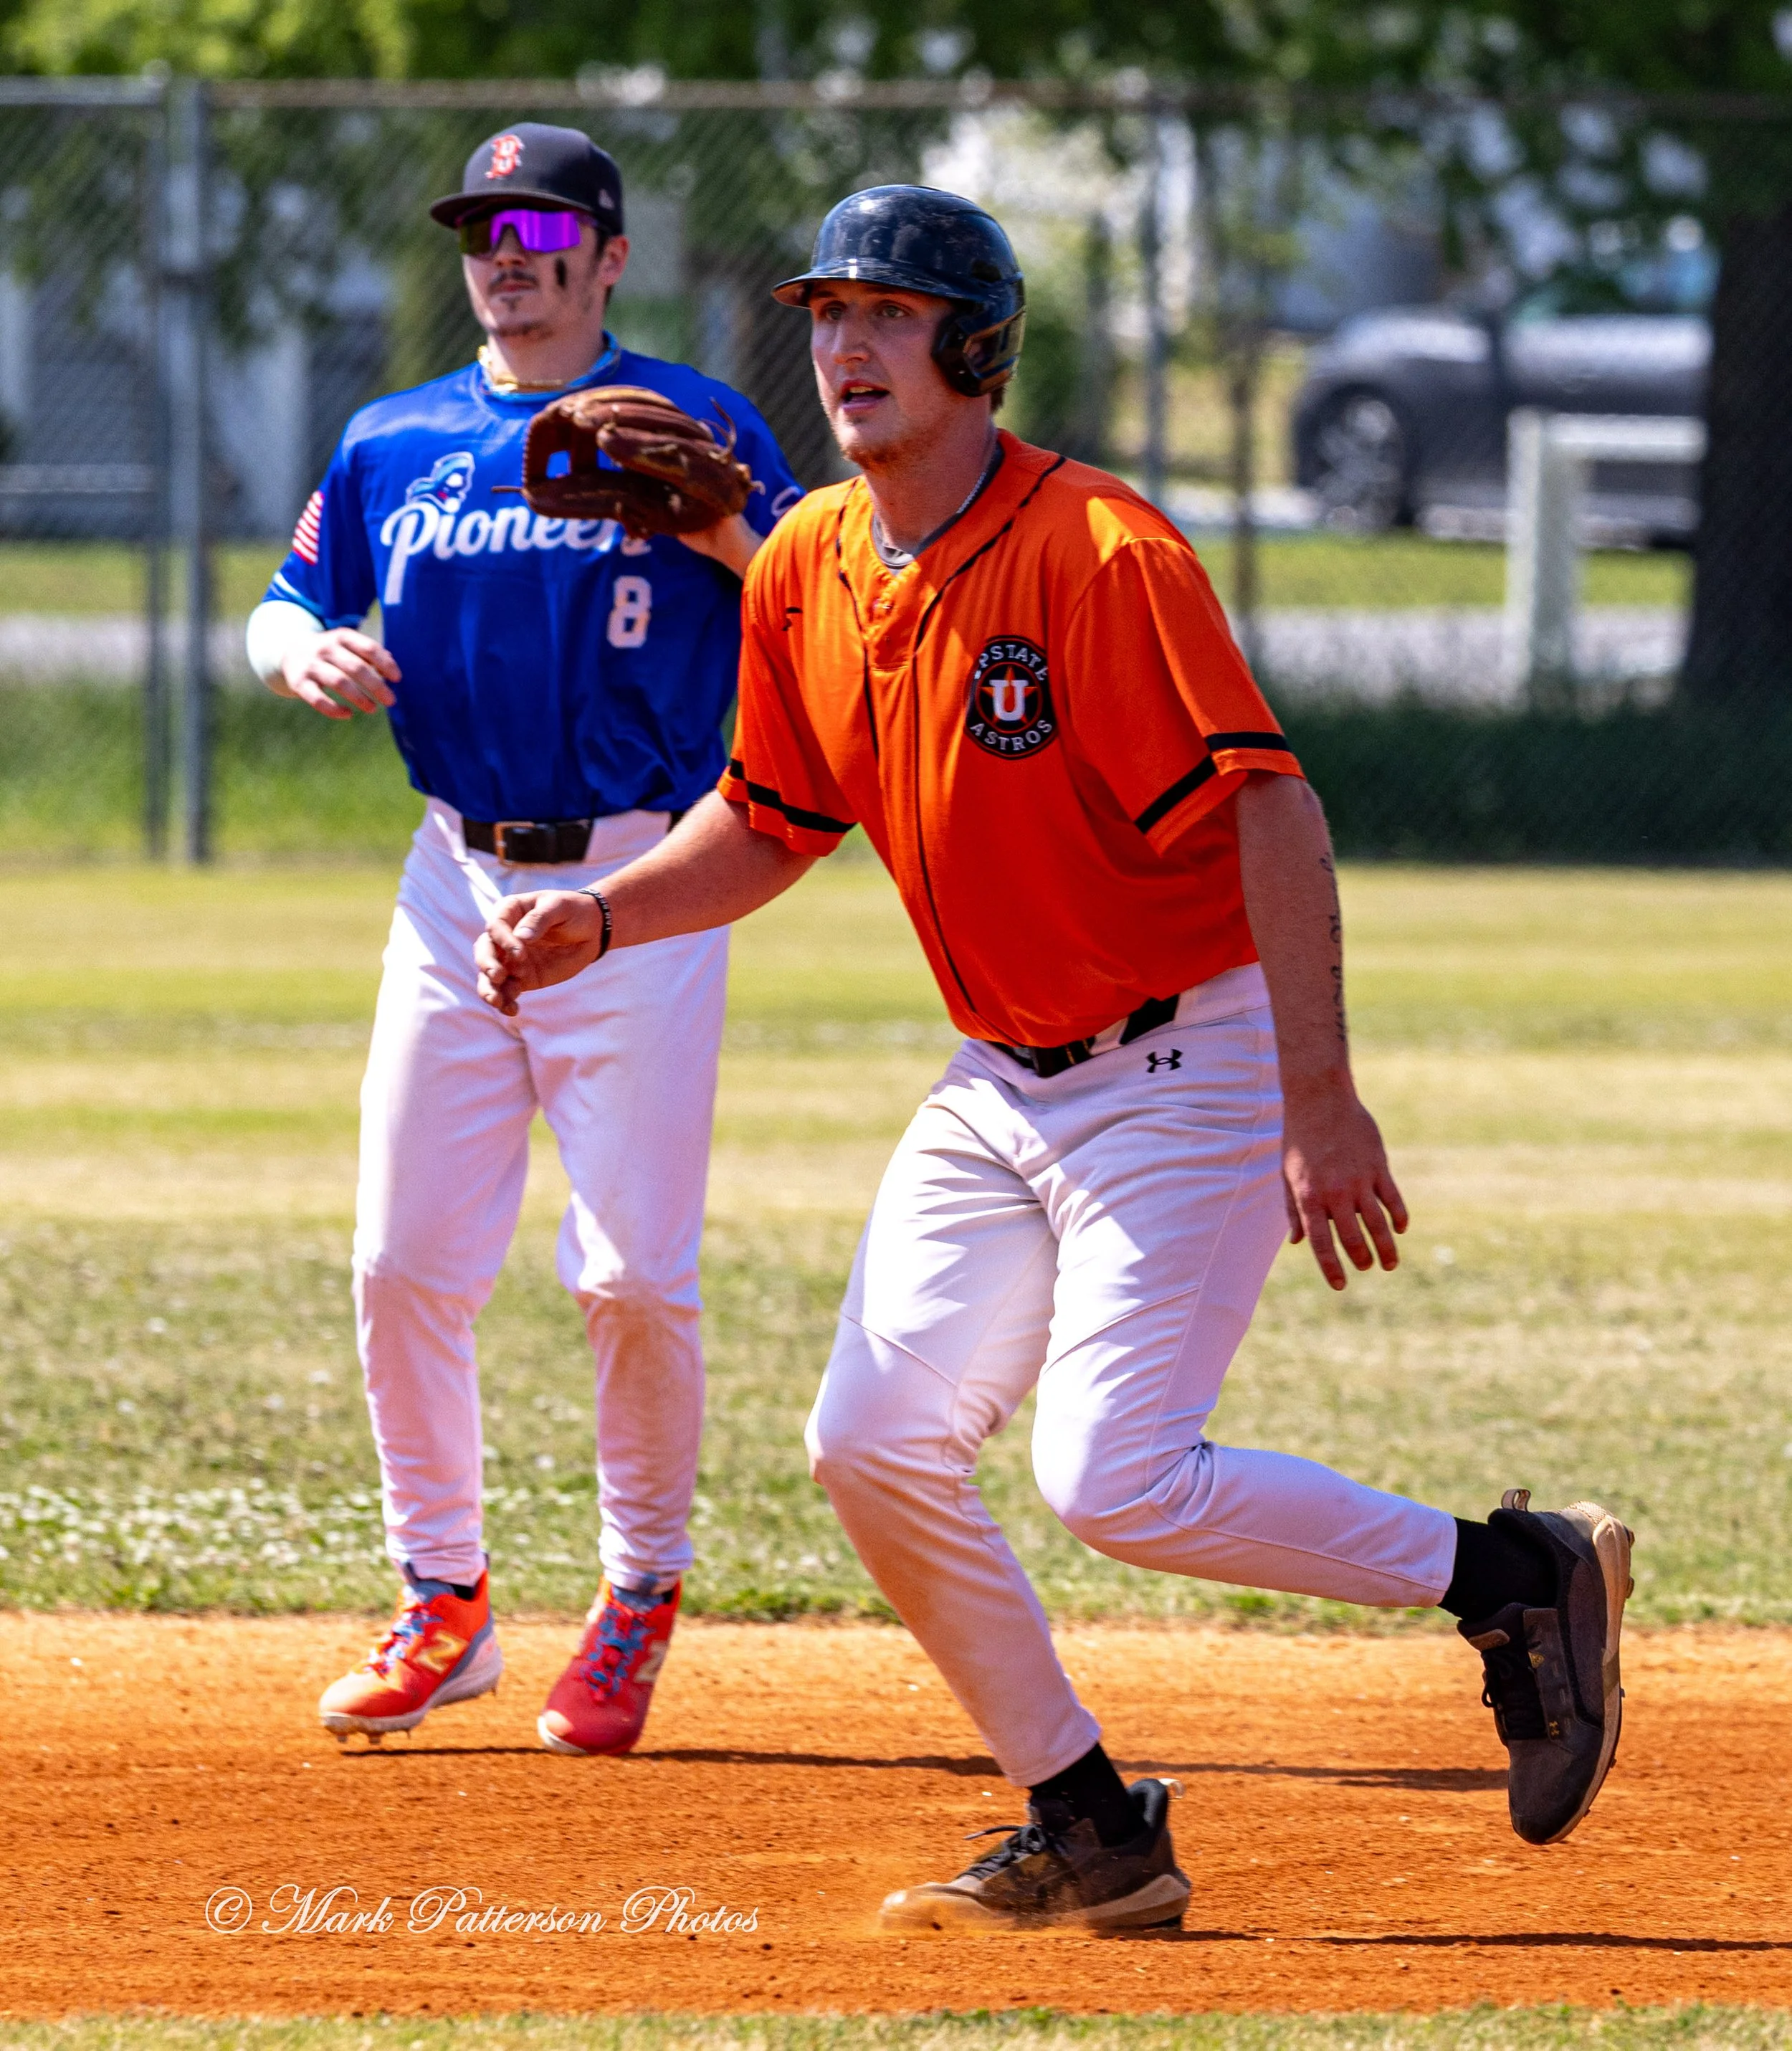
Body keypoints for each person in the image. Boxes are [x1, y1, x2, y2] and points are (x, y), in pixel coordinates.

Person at [470, 186, 1634, 1926]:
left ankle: (1509, 1574)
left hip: (1192, 1058)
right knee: (866, 1438)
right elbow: (776, 816)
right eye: (827, 313)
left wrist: (1318, 1096)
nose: (847, 344)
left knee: (1114, 1475)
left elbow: (1273, 809)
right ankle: (1088, 1820)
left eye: (888, 312)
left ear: (975, 344)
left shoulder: (1099, 552)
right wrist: (604, 913)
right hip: (999, 1077)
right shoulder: (802, 565)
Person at [244, 123, 802, 1757]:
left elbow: (823, 613)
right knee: (402, 1257)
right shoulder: (389, 437)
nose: (509, 247)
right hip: (452, 880)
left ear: (610, 252)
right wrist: (301, 658)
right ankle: (446, 1597)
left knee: (628, 1272)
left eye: (545, 219)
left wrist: (725, 535)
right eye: (484, 223)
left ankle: (637, 1592)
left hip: (640, 876)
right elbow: (285, 599)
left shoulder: (696, 421)